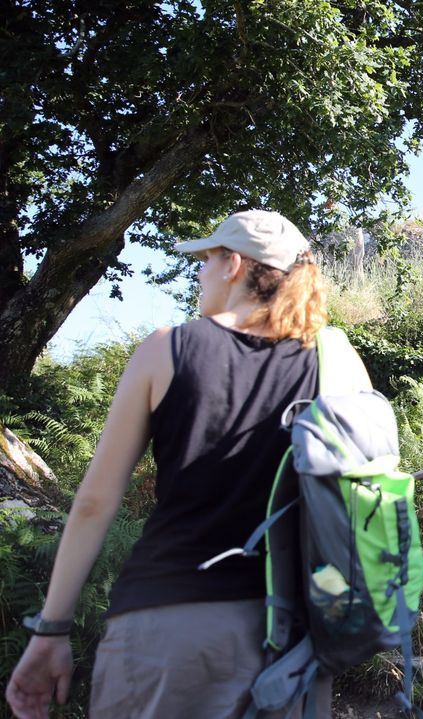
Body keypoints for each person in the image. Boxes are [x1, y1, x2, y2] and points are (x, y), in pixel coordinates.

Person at [6, 210, 343, 719]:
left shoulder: (169, 348)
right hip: (290, 642)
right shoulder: (335, 362)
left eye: (205, 260)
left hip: (166, 627)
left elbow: (96, 500)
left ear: (234, 265)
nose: (199, 273)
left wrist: (51, 628)